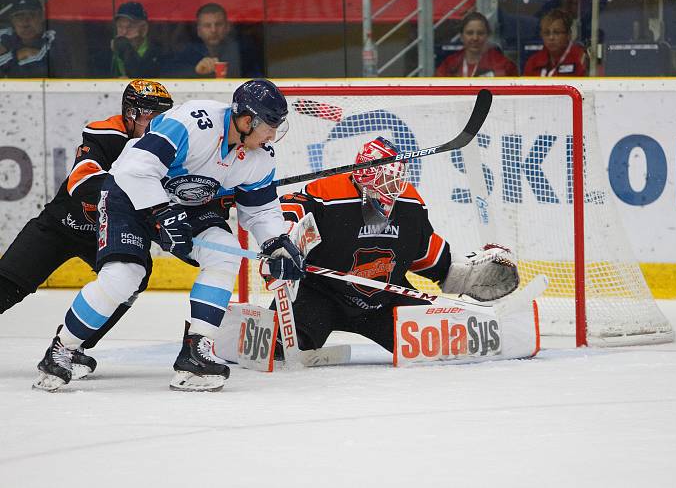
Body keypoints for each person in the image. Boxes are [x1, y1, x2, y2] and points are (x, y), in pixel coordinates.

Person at [32, 79, 306, 392]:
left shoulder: (260, 156)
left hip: (183, 204)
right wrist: (161, 213)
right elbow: (135, 168)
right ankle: (62, 348)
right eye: (269, 127)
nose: (272, 136)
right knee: (124, 275)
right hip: (129, 194)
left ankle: (195, 352)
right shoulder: (192, 122)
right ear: (246, 120)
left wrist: (276, 243)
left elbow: (259, 210)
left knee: (224, 250)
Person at [266, 137, 519, 357]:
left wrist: (463, 275)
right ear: (364, 176)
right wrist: (283, 245)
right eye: (387, 181)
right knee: (281, 349)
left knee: (443, 344)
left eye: (397, 181)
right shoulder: (328, 194)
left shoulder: (408, 203)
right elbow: (292, 208)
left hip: (384, 300)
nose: (393, 189)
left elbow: (427, 253)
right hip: (321, 295)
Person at [0, 80, 172, 375]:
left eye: (163, 117)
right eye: (151, 117)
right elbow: (81, 180)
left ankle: (72, 343)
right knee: (7, 284)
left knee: (134, 277)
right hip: (61, 225)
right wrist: (134, 191)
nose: (158, 125)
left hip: (107, 235)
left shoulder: (167, 143)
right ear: (130, 113)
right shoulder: (105, 133)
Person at [0, 0, 73, 77]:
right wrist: (18, 55)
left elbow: (43, 69)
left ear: (41, 17)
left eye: (31, 15)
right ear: (12, 21)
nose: (25, 23)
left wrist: (8, 59)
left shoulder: (53, 36)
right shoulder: (5, 35)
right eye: (19, 17)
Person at [164, 3, 243, 78]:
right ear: (199, 31)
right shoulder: (188, 53)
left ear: (227, 27)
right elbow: (167, 75)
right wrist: (196, 71)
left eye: (218, 24)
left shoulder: (241, 51)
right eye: (207, 26)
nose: (213, 30)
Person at [435, 12, 518, 77]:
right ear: (461, 36)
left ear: (487, 36)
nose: (475, 38)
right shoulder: (450, 64)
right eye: (469, 33)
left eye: (480, 33)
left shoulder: (504, 65)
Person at [522, 8, 588, 77]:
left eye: (557, 32)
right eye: (546, 33)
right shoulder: (533, 62)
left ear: (568, 35)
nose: (551, 38)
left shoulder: (580, 58)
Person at [110, 1, 161, 78]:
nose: (124, 32)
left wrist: (126, 49)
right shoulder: (109, 53)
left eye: (130, 27)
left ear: (144, 29)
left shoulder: (157, 54)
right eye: (120, 26)